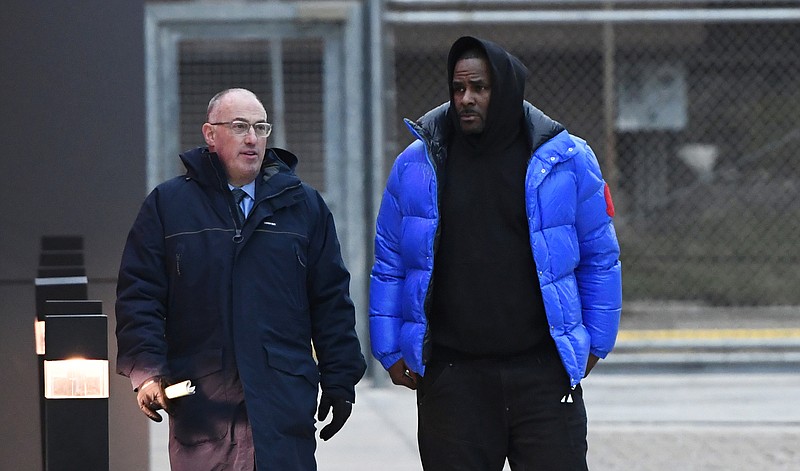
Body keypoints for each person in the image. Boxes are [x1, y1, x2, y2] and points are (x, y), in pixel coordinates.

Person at [369, 37, 622, 470]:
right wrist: (389, 349)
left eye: (479, 88)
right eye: (458, 88)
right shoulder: (417, 164)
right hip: (453, 379)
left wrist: (595, 342)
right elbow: (391, 261)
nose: (465, 99)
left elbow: (599, 256)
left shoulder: (566, 160)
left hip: (543, 376)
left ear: (504, 90)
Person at [116, 88, 366, 471]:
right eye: (239, 127)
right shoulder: (169, 206)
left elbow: (330, 299)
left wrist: (340, 377)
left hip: (282, 406)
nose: (252, 138)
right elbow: (140, 296)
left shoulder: (303, 207)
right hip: (205, 408)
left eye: (260, 127)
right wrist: (147, 371)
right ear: (210, 134)